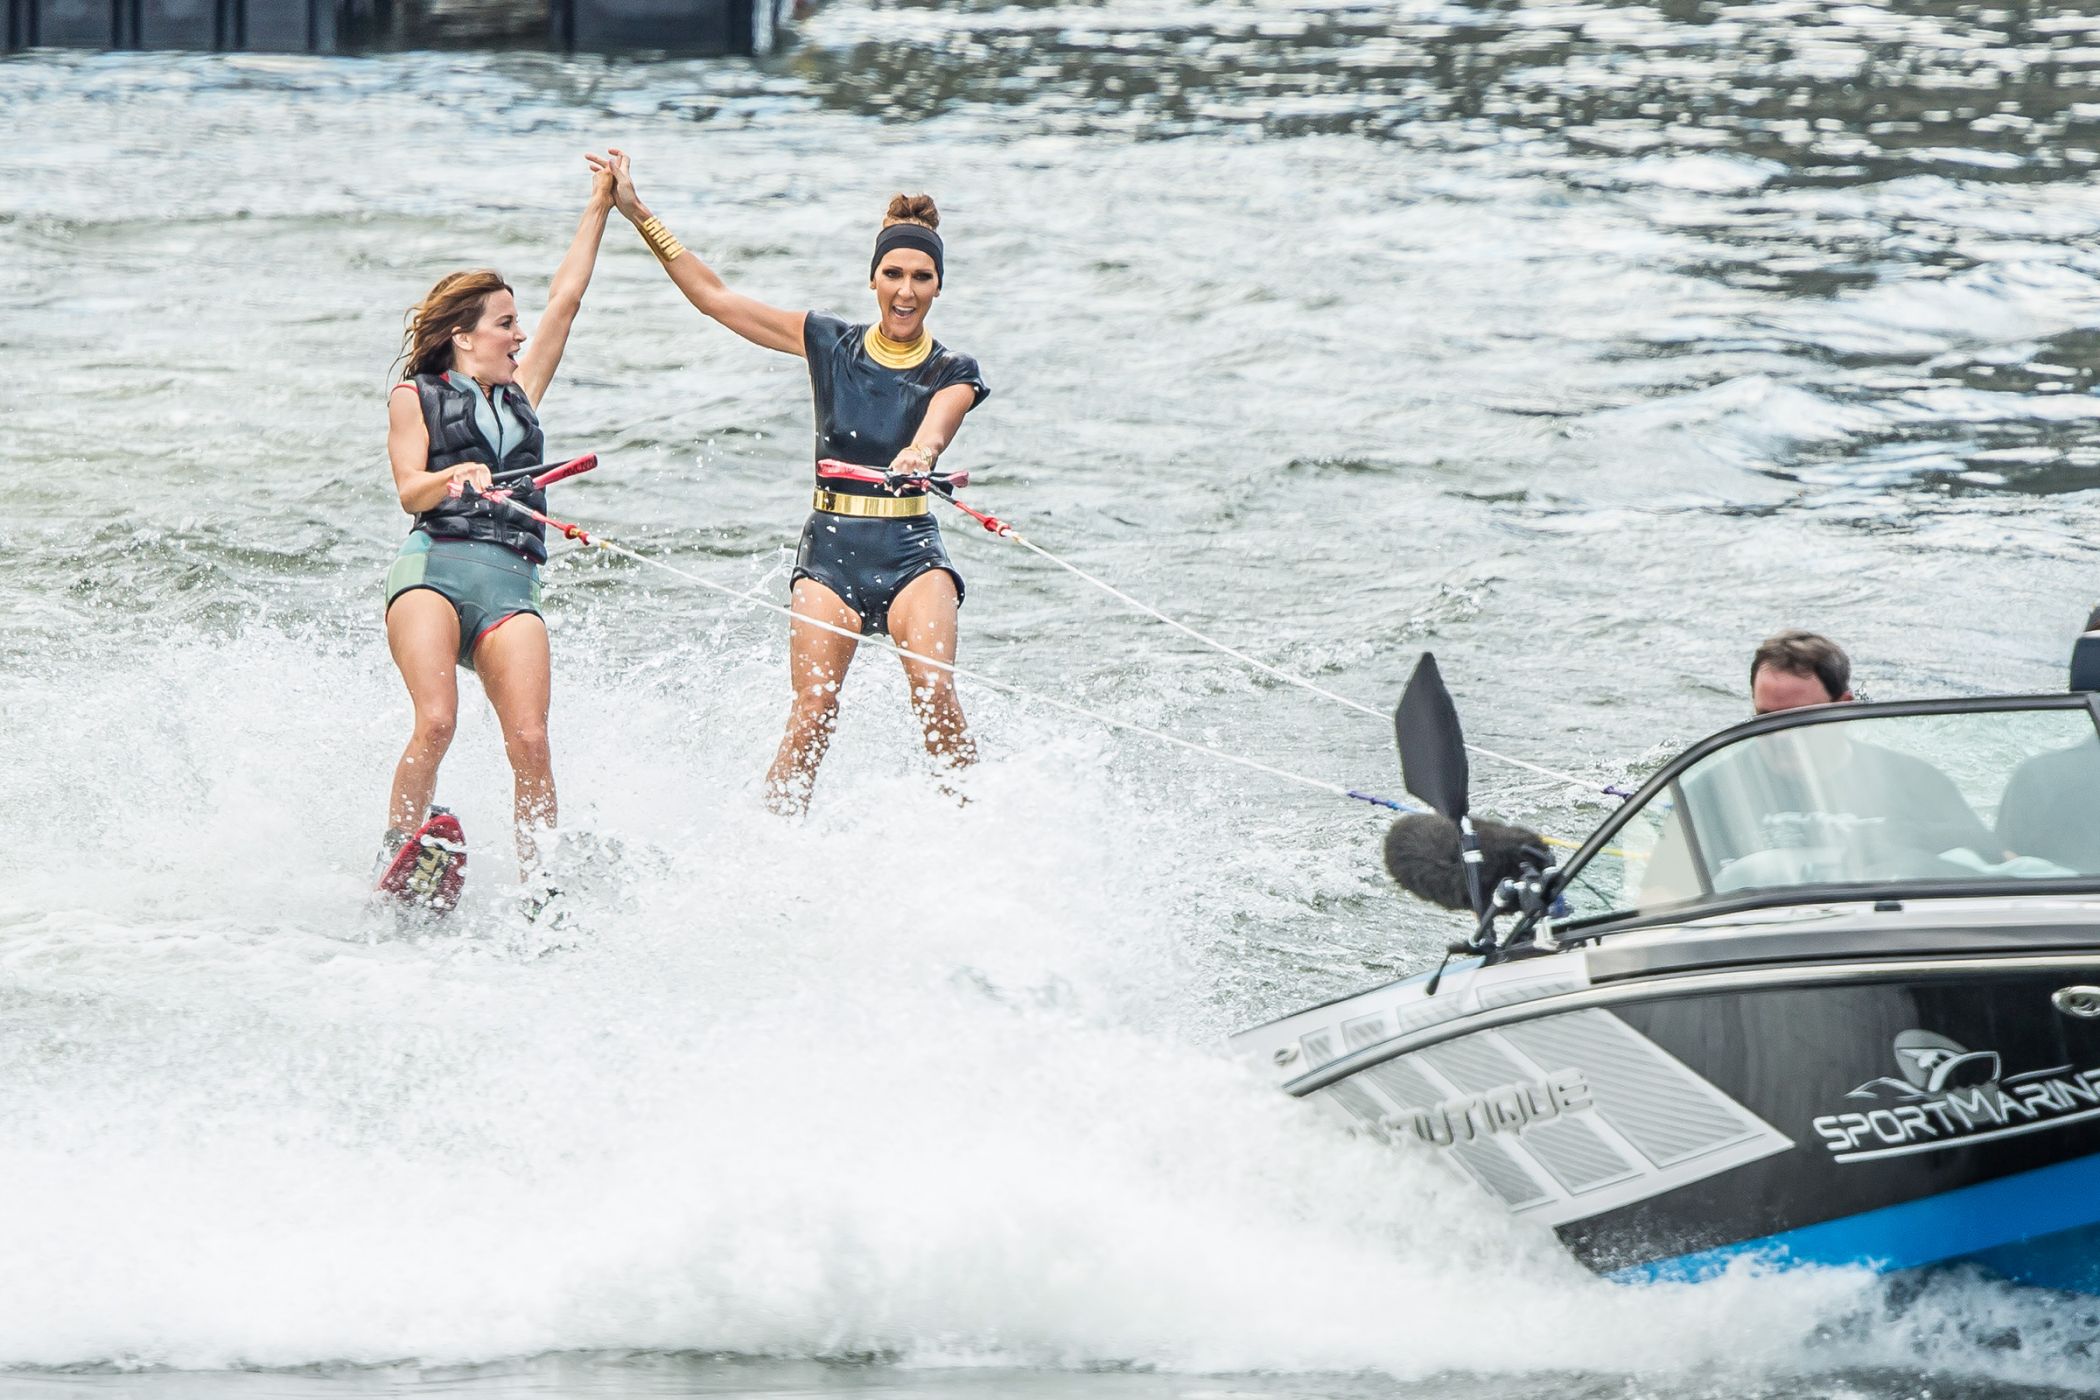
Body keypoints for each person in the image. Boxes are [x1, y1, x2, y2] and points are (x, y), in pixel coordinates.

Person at [587, 148, 990, 814]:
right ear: (873, 280)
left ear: (939, 286)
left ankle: (977, 829)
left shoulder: (952, 368)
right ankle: (773, 844)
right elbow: (715, 299)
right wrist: (635, 213)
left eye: (921, 276)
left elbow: (940, 421)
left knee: (934, 691)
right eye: (893, 273)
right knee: (813, 709)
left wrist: (921, 450)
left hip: (912, 553)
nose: (906, 290)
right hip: (831, 552)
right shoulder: (829, 343)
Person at [378, 160, 614, 885]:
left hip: (512, 587)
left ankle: (539, 884)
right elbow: (409, 491)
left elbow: (568, 299)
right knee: (439, 720)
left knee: (531, 741)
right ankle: (397, 849)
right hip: (433, 574)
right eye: (506, 324)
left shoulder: (524, 394)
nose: (520, 335)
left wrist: (602, 204)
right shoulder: (412, 397)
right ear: (463, 336)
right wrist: (456, 475)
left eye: (517, 324)